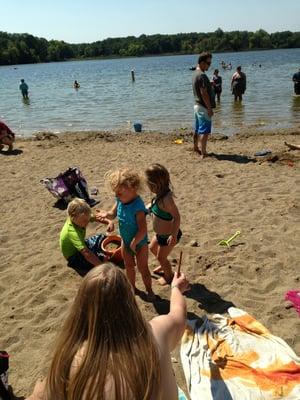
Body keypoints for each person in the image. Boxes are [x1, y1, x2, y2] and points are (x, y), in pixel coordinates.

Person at [26, 264, 190, 400]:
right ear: (129, 303)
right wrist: (176, 288)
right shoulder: (156, 332)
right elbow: (178, 314)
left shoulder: (69, 358)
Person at [97, 168, 155, 300]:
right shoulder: (120, 201)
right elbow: (112, 214)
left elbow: (143, 230)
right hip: (125, 241)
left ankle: (149, 290)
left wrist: (135, 242)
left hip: (139, 244)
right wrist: (107, 215)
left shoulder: (138, 207)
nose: (117, 196)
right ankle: (132, 287)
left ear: (133, 188)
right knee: (129, 267)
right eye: (116, 194)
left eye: (119, 193)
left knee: (143, 269)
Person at [145, 164, 181, 285]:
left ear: (155, 184)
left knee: (161, 257)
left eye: (148, 184)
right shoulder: (158, 196)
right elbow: (152, 206)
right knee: (152, 248)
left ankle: (169, 276)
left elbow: (176, 217)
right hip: (160, 234)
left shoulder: (167, 199)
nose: (147, 186)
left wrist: (174, 235)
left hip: (169, 236)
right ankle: (164, 263)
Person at [60, 198, 114, 271]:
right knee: (98, 258)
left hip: (82, 245)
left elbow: (96, 218)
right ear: (72, 217)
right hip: (74, 256)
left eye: (87, 220)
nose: (86, 223)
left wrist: (108, 222)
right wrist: (102, 266)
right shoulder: (72, 232)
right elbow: (86, 253)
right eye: (84, 221)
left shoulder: (82, 216)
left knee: (102, 237)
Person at [192, 52, 215, 158]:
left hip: (196, 105)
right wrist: (209, 108)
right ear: (201, 62)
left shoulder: (195, 73)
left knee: (197, 129)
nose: (209, 65)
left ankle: (196, 147)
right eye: (208, 63)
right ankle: (203, 152)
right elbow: (203, 93)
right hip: (203, 106)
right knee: (205, 131)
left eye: (210, 63)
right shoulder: (202, 75)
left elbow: (200, 89)